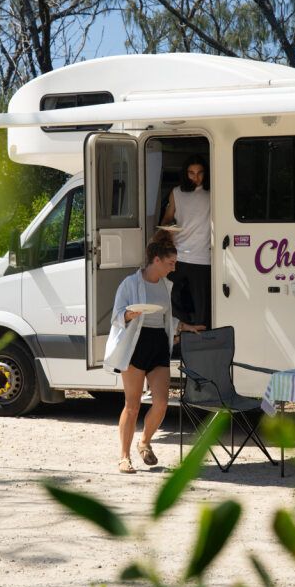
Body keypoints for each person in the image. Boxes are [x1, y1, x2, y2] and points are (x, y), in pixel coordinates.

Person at [104, 231, 204, 473]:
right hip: (135, 346)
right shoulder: (130, 283)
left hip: (158, 343)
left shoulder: (165, 285)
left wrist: (184, 326)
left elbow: (166, 318)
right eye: (170, 263)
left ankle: (145, 442)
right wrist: (129, 314)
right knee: (133, 406)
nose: (174, 267)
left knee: (160, 403)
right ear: (156, 260)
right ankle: (124, 457)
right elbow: (117, 315)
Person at [161, 154, 211, 328]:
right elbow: (166, 219)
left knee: (203, 306)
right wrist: (168, 228)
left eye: (199, 173)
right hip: (178, 255)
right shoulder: (176, 193)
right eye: (191, 173)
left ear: (206, 174)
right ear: (185, 174)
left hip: (203, 257)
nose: (196, 177)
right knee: (169, 293)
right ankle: (183, 329)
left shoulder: (212, 194)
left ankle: (202, 341)